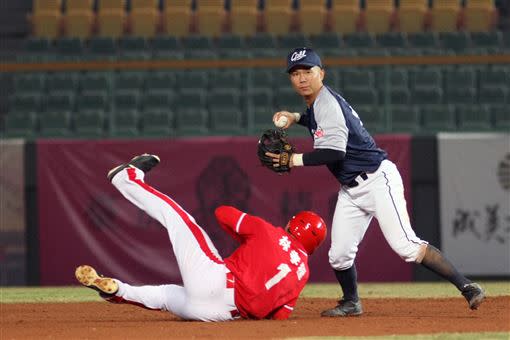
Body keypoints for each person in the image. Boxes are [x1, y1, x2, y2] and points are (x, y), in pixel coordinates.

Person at [267, 47, 486, 317]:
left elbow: (335, 153)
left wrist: (292, 161)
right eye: (295, 73)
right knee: (339, 255)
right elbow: (316, 121)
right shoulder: (319, 103)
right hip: (351, 189)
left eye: (308, 72)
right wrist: (296, 117)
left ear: (321, 73)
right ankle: (351, 302)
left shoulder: (327, 105)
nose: (301, 78)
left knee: (406, 246)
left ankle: (467, 287)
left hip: (377, 180)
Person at [75, 154, 327, 322]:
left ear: (293, 223)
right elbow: (281, 316)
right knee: (165, 297)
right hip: (222, 314)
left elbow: (222, 213)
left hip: (217, 280)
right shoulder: (303, 273)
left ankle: (126, 178)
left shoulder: (270, 233)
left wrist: (249, 240)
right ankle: (118, 291)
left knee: (179, 218)